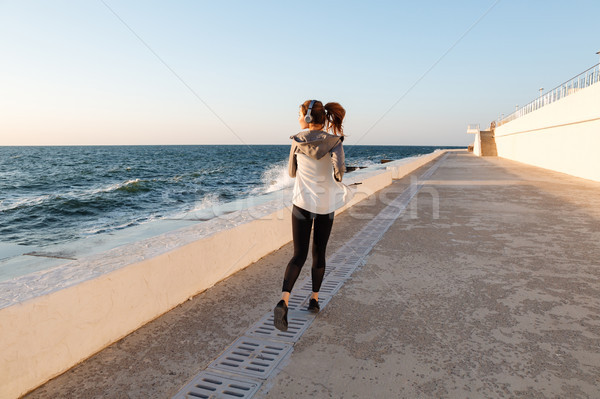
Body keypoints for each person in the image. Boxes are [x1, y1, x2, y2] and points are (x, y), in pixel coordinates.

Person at [273, 99, 353, 332]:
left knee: (298, 255)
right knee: (319, 254)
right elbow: (339, 173)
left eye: (298, 114)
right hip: (325, 206)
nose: (298, 118)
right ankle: (314, 300)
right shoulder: (335, 142)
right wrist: (334, 174)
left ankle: (284, 301)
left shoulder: (296, 141)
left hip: (301, 204)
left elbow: (291, 172)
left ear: (307, 118)